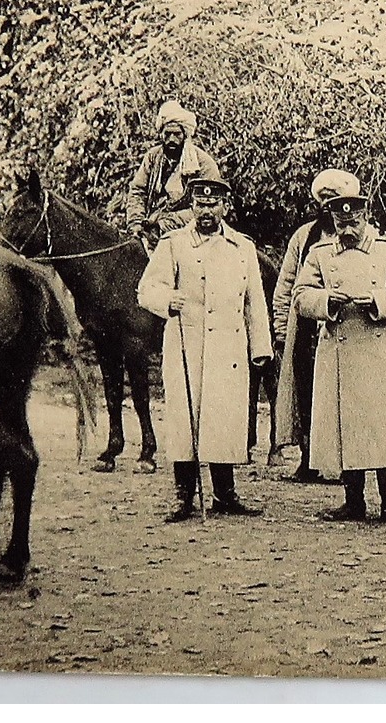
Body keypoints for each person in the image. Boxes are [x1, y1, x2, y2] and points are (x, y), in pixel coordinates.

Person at [137, 175, 273, 522]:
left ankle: (225, 494)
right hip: (187, 340)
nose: (206, 211)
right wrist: (168, 298)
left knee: (224, 416)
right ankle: (184, 496)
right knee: (185, 416)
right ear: (192, 206)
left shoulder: (242, 247)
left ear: (225, 207)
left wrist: (261, 347)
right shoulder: (173, 244)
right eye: (200, 204)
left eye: (213, 204)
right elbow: (146, 288)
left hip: (228, 344)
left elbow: (254, 301)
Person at [293, 183, 386, 523]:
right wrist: (325, 302)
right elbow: (300, 296)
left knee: (383, 427)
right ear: (333, 220)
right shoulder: (320, 253)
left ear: (366, 217)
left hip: (378, 350)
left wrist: (379, 302)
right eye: (341, 223)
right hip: (338, 350)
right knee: (345, 426)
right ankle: (354, 501)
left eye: (354, 222)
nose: (348, 229)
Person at [270, 168, 356, 481]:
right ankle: (309, 459)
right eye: (323, 201)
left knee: (342, 396)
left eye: (334, 201)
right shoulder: (304, 237)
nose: (328, 208)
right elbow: (287, 284)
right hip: (305, 329)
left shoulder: (357, 235)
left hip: (343, 330)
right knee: (306, 394)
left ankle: (348, 466)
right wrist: (282, 330)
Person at [124, 100, 223, 248]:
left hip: (191, 232)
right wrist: (136, 222)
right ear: (161, 134)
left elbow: (207, 208)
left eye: (176, 134)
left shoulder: (203, 164)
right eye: (167, 134)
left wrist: (164, 225)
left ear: (185, 135)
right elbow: (138, 191)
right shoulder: (153, 157)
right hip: (151, 227)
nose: (171, 139)